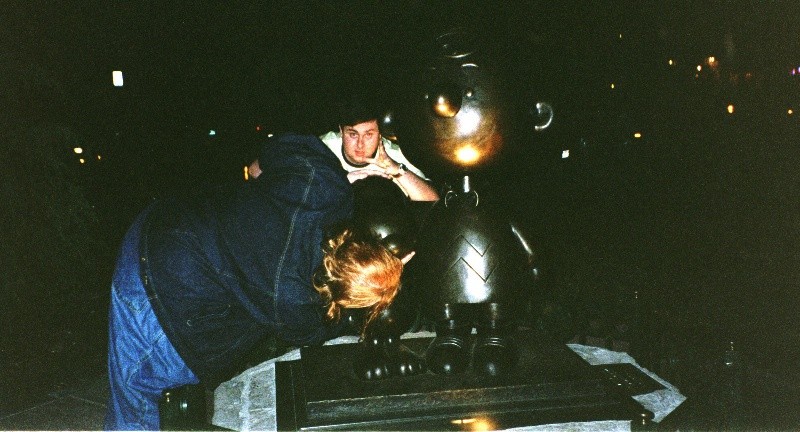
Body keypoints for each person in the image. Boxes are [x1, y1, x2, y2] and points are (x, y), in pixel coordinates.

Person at [105, 133, 413, 430]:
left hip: (167, 220)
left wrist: (260, 176)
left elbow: (280, 150)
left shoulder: (321, 182)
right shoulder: (298, 304)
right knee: (139, 393)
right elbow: (321, 328)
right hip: (158, 289)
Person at [249, 96, 439, 202]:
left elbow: (432, 201)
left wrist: (397, 171)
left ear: (380, 133)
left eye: (369, 134)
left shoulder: (394, 155)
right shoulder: (321, 148)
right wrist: (337, 181)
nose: (360, 144)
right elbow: (255, 171)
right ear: (341, 131)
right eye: (353, 134)